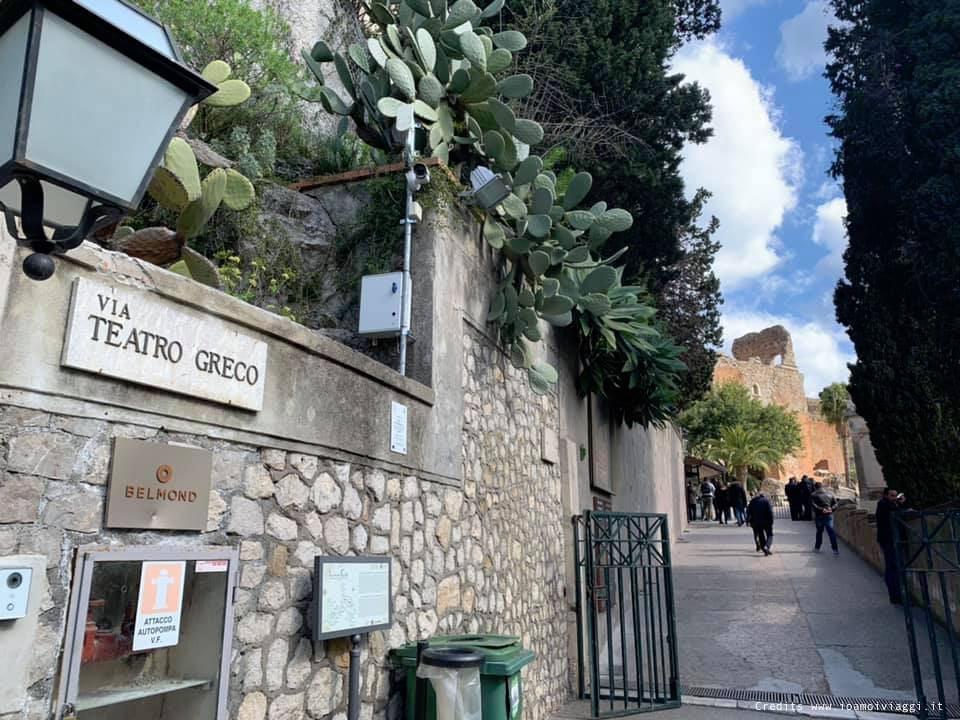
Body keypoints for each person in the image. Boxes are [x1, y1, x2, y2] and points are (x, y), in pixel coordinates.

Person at [876, 487, 906, 604]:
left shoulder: (889, 504)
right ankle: (896, 596)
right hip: (888, 541)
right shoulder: (884, 505)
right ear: (886, 496)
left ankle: (896, 595)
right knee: (893, 567)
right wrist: (901, 505)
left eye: (896, 495)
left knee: (893, 567)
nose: (894, 498)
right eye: (892, 496)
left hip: (890, 540)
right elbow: (896, 514)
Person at [810, 481, 839, 555]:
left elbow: (813, 505)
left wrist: (822, 509)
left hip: (819, 515)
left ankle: (817, 548)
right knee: (831, 532)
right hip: (829, 515)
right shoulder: (830, 494)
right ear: (822, 486)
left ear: (815, 487)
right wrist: (831, 509)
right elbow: (836, 504)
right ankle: (835, 549)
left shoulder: (813, 495)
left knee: (819, 532)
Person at [746, 491, 774, 555]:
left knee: (761, 535)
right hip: (767, 521)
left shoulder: (752, 501)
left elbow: (748, 512)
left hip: (756, 521)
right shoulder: (766, 501)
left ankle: (763, 547)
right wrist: (771, 521)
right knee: (770, 535)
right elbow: (770, 512)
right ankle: (767, 546)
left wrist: (748, 521)